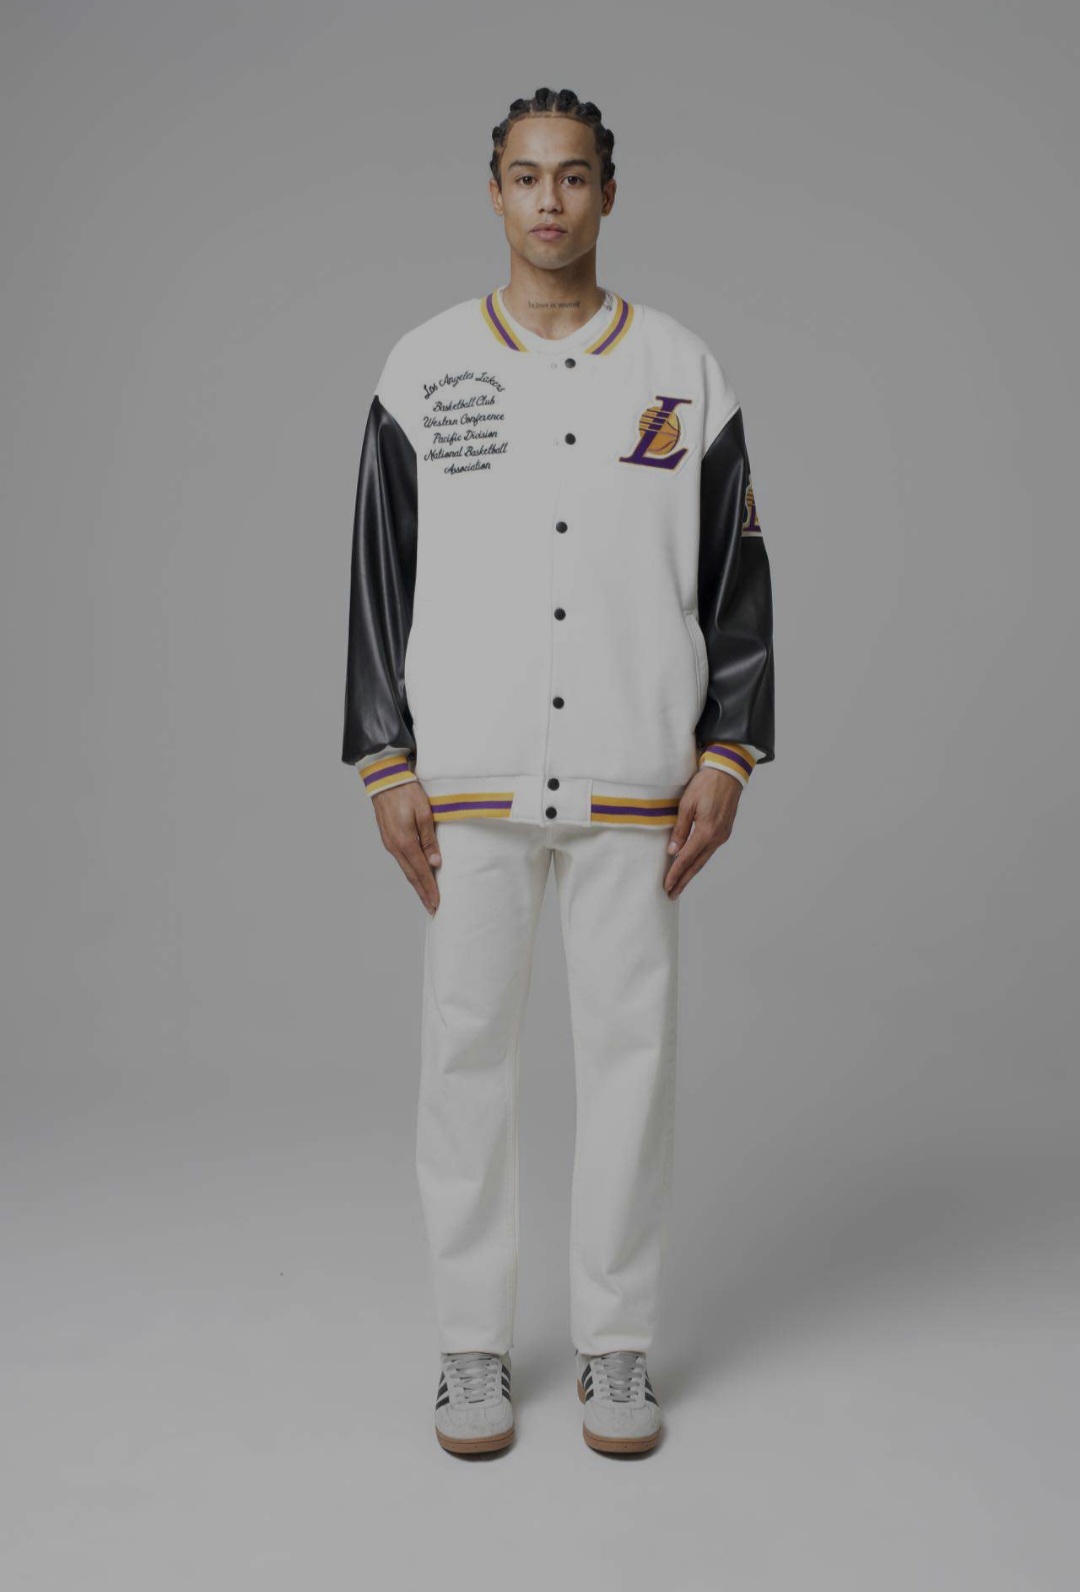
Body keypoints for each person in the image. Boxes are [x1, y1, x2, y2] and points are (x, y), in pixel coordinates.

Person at [341, 87, 775, 1457]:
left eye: (573, 177)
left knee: (630, 1060)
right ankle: (470, 1345)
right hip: (465, 776)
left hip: (636, 774)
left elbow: (737, 575)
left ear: (607, 194)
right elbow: (377, 571)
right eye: (525, 177)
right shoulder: (423, 369)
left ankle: (617, 1348)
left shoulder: (683, 370)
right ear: (493, 192)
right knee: (462, 1053)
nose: (549, 201)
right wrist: (383, 759)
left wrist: (731, 747)